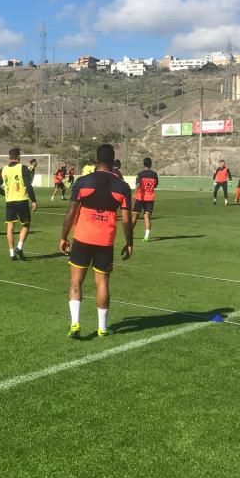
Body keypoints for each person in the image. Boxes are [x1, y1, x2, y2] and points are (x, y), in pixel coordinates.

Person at [59, 143, 133, 338]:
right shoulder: (123, 187)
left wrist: (63, 236)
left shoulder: (83, 182)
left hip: (82, 237)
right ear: (113, 160)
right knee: (102, 283)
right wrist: (129, 242)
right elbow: (126, 220)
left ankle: (75, 323)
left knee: (76, 281)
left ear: (96, 159)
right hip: (105, 240)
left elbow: (71, 212)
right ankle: (103, 327)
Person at [0, 147, 37, 260]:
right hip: (21, 200)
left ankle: (12, 253)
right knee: (26, 224)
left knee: (10, 227)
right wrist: (33, 200)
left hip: (10, 202)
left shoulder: (3, 170)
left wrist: (6, 194)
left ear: (10, 157)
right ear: (18, 157)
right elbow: (28, 185)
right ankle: (20, 246)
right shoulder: (22, 168)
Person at [132, 157, 159, 242]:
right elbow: (155, 185)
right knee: (147, 217)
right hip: (150, 198)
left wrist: (135, 194)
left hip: (140, 197)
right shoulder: (154, 174)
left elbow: (138, 185)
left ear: (143, 164)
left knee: (135, 216)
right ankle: (146, 236)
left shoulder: (140, 174)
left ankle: (130, 232)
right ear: (150, 164)